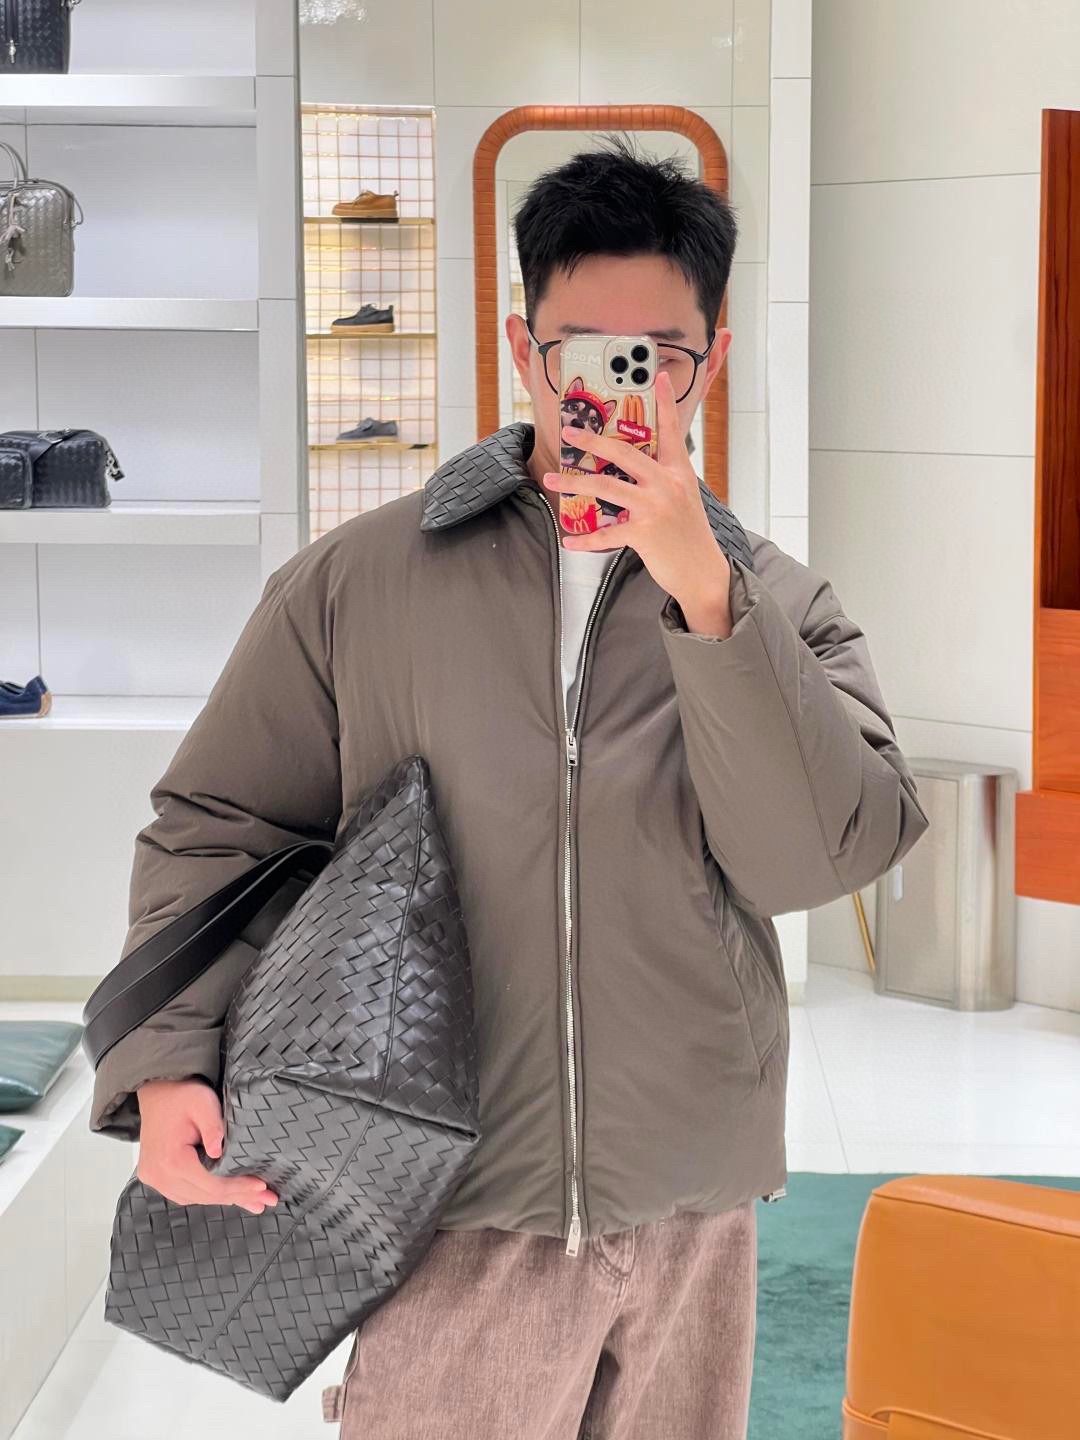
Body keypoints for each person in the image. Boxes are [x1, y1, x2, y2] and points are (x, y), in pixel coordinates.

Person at [88, 133, 929, 1439]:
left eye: (661, 354)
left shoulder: (775, 601)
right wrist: (167, 1063)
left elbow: (819, 858)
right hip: (446, 1198)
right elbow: (218, 825)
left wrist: (709, 604)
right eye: (584, 350)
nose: (620, 384)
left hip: (692, 1208)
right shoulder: (358, 583)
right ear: (523, 350)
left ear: (709, 362)